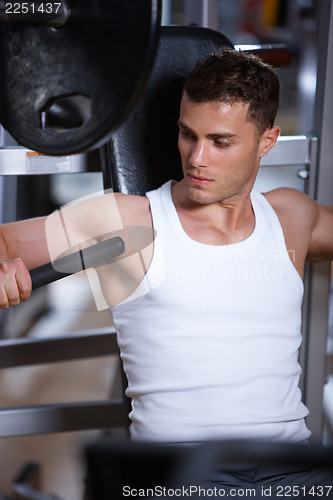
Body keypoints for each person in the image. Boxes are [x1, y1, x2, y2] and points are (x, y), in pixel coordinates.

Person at [0, 48, 333, 497]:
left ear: (266, 142)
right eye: (186, 134)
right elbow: (5, 243)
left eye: (219, 142)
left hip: (291, 471)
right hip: (182, 477)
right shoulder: (131, 222)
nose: (196, 158)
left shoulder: (291, 217)